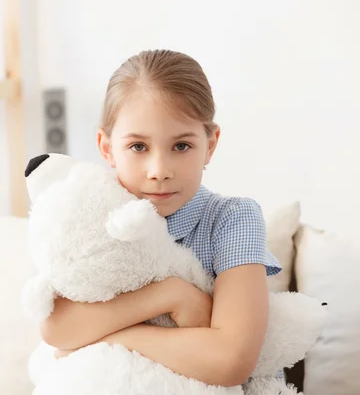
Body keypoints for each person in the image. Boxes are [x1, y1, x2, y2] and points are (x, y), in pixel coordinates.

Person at [40, 49, 283, 387]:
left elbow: (231, 360)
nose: (159, 171)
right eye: (138, 147)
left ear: (210, 145)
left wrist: (103, 336)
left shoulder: (232, 219)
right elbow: (57, 329)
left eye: (181, 146)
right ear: (106, 147)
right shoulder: (92, 214)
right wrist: (170, 295)